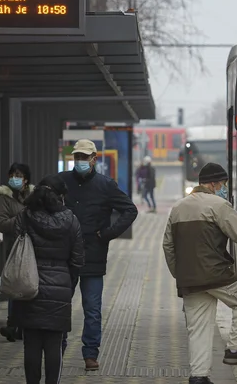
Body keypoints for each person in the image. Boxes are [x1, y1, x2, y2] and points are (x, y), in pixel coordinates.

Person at [162, 163, 237, 384]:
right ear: (213, 184)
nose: (224, 188)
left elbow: (168, 246)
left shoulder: (177, 208)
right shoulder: (218, 204)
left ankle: (198, 376)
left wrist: (181, 274)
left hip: (189, 279)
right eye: (223, 184)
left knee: (198, 327)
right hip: (216, 274)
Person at [58, 139, 138, 371]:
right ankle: (58, 349)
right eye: (78, 157)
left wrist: (108, 234)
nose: (81, 161)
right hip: (66, 256)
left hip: (93, 256)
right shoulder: (62, 182)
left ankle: (90, 354)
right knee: (61, 306)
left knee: (92, 310)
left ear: (94, 158)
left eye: (85, 157)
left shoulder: (105, 185)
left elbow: (130, 210)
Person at [9, 175, 84, 384]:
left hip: (28, 284)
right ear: (60, 196)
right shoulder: (71, 219)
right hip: (60, 285)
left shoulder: (25, 216)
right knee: (54, 344)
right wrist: (68, 285)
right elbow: (77, 259)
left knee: (31, 344)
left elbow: (15, 249)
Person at [0, 162, 34, 342]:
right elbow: (1, 223)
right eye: (12, 175)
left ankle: (25, 325)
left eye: (18, 175)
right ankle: (13, 324)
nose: (14, 179)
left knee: (29, 282)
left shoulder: (34, 195)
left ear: (26, 179)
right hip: (14, 247)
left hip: (32, 246)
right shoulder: (4, 197)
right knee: (15, 285)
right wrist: (22, 219)